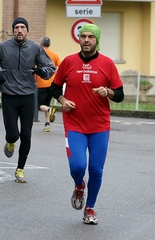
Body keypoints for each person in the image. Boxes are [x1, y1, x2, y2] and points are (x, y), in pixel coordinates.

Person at [50, 24, 124, 225]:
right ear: (79, 39)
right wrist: (63, 101)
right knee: (77, 166)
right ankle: (79, 186)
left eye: (91, 36)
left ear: (96, 40)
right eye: (83, 36)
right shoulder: (68, 62)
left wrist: (107, 92)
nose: (86, 40)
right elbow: (54, 87)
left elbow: (120, 94)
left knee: (96, 170)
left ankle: (89, 208)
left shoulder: (107, 64)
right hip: (74, 124)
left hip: (99, 126)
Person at [0, 17, 55, 183]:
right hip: (9, 95)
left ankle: (20, 169)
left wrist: (41, 72)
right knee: (13, 134)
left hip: (27, 96)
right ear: (13, 30)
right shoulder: (3, 47)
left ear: (27, 30)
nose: (19, 30)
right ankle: (10, 142)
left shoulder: (35, 48)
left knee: (26, 135)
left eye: (22, 27)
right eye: (16, 27)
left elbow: (50, 67)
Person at [36, 36, 61, 132]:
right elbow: (60, 66)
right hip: (52, 83)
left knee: (39, 106)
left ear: (41, 44)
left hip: (41, 83)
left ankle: (50, 110)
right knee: (46, 104)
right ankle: (47, 125)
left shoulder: (38, 55)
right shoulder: (54, 55)